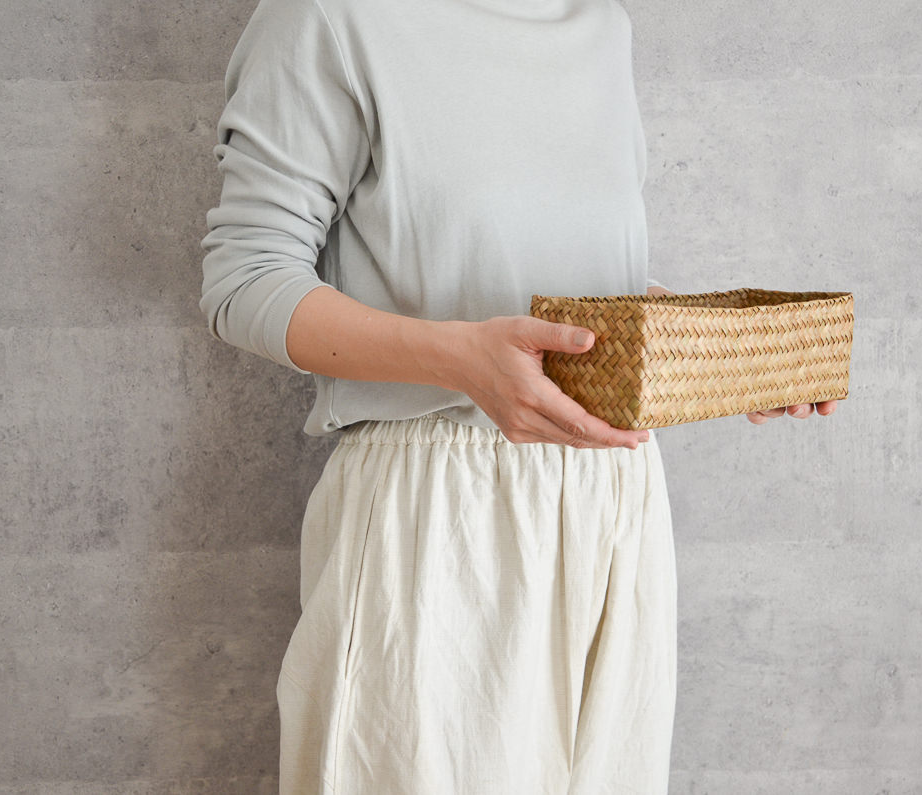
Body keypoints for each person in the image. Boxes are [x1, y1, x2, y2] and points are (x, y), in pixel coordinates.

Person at [200, 0, 836, 791]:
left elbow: (576, 281)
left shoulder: (599, 23)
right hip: (440, 513)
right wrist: (462, 360)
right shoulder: (333, 17)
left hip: (615, 506)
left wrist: (721, 357)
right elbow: (244, 280)